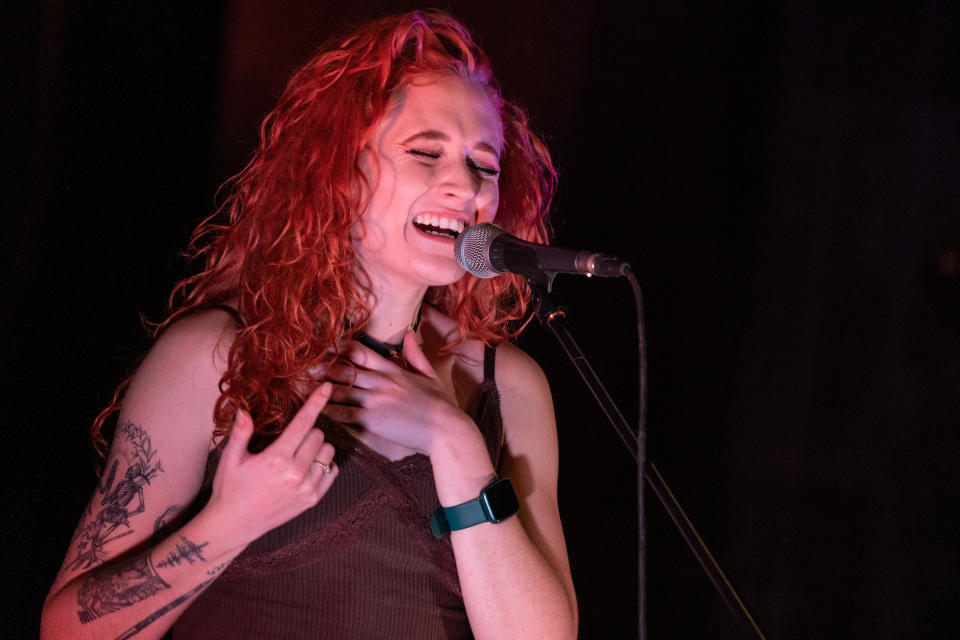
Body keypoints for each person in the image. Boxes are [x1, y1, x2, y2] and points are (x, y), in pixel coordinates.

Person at [40, 10, 577, 639]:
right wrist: (229, 522)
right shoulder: (219, 356)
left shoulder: (505, 386)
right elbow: (68, 630)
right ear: (339, 171)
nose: (464, 185)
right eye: (425, 153)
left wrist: (456, 446)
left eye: (483, 165)